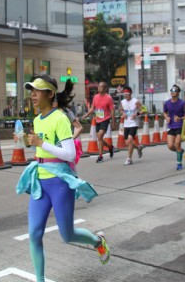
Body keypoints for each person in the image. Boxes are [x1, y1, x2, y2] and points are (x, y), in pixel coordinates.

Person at [16, 75, 110, 282]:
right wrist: (26, 142)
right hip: (40, 182)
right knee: (34, 233)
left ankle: (97, 242)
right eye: (31, 91)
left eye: (37, 90)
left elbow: (68, 153)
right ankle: (40, 279)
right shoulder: (37, 120)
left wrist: (40, 143)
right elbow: (42, 149)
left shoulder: (60, 118)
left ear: (50, 94)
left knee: (67, 235)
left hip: (59, 183)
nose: (33, 95)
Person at [82, 81, 116, 163]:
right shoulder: (95, 97)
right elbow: (92, 108)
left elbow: (112, 110)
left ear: (105, 88)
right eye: (99, 86)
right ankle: (110, 147)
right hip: (98, 119)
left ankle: (100, 156)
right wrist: (86, 115)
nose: (99, 88)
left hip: (105, 119)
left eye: (101, 87)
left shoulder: (108, 98)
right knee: (99, 138)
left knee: (100, 136)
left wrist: (113, 122)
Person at [164, 85, 185, 170]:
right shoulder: (167, 103)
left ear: (178, 92)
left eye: (174, 90)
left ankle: (179, 163)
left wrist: (179, 118)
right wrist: (166, 117)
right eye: (171, 90)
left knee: (177, 144)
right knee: (170, 146)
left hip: (180, 126)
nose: (172, 92)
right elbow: (164, 112)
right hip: (171, 126)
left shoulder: (182, 103)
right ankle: (180, 151)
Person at [120, 86, 143, 165]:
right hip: (126, 124)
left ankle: (129, 159)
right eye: (124, 94)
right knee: (127, 143)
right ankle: (138, 147)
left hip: (134, 123)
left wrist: (136, 114)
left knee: (130, 139)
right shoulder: (122, 102)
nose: (126, 95)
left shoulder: (136, 101)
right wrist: (123, 113)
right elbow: (121, 110)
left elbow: (144, 110)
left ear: (130, 93)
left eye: (127, 94)